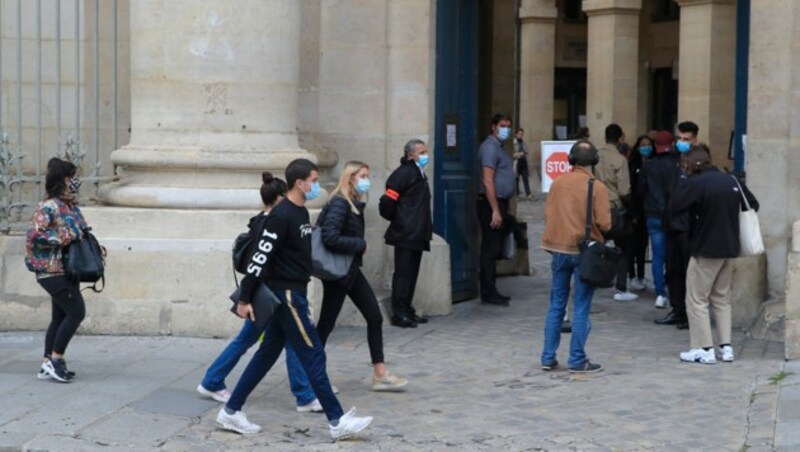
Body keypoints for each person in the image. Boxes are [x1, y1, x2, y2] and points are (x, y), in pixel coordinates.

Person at [217, 159, 373, 440]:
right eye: (313, 180)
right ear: (299, 183)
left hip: (292, 293)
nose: (316, 185)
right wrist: (245, 298)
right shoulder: (282, 216)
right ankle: (337, 421)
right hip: (287, 296)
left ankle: (231, 410)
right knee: (312, 353)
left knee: (267, 354)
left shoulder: (300, 213)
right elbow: (259, 258)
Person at [197, 172, 322, 413]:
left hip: (267, 293)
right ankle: (304, 395)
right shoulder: (272, 221)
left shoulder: (262, 220)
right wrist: (246, 298)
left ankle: (303, 394)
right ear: (279, 196)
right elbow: (260, 261)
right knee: (255, 340)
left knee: (276, 341)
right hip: (269, 294)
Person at [317, 161, 408, 391]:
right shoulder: (340, 203)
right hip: (339, 273)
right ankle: (313, 376)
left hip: (349, 271)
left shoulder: (353, 203)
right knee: (326, 325)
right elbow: (329, 236)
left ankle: (380, 374)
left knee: (374, 317)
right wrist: (359, 244)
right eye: (363, 176)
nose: (367, 180)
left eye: (368, 175)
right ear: (350, 179)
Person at [669, 145, 759, 364]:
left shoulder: (696, 183)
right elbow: (753, 204)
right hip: (730, 247)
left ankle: (704, 348)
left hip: (706, 248)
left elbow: (674, 207)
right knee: (721, 299)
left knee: (696, 299)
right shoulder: (731, 179)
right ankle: (726, 347)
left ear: (692, 164)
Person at [540, 140, 611, 373]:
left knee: (556, 305)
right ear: (594, 161)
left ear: (570, 159)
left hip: (559, 249)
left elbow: (548, 214)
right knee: (581, 306)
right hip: (584, 251)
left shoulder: (557, 183)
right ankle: (577, 359)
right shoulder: (596, 187)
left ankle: (548, 357)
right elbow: (605, 222)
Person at [25, 158, 98, 382]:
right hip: (51, 270)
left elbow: (81, 232)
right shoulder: (48, 206)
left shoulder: (70, 206)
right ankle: (56, 359)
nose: (76, 182)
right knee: (77, 312)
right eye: (72, 177)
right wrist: (66, 237)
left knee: (60, 316)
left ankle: (47, 362)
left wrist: (94, 247)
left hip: (67, 269)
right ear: (63, 180)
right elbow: (35, 237)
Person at [380, 139, 433, 328]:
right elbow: (388, 202)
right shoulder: (404, 173)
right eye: (421, 152)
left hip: (417, 232)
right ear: (410, 155)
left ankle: (407, 309)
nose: (425, 155)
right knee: (403, 274)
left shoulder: (418, 172)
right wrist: (400, 220)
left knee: (411, 273)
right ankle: (399, 313)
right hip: (406, 232)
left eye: (426, 151)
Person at [656, 121, 700, 329]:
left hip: (689, 226)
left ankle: (691, 313)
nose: (682, 143)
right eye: (679, 138)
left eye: (686, 139)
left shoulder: (699, 163)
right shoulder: (674, 162)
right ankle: (678, 310)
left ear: (694, 140)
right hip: (672, 224)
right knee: (673, 269)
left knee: (689, 271)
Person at [477, 113, 516, 306]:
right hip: (491, 203)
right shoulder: (490, 148)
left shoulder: (499, 148)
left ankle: (491, 289)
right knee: (490, 249)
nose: (506, 129)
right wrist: (495, 210)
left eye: (508, 125)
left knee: (494, 248)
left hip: (500, 202)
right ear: (493, 126)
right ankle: (488, 292)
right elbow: (487, 179)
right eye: (502, 125)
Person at [593, 124, 636, 302]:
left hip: (595, 207)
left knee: (592, 246)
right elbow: (624, 190)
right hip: (614, 209)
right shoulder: (620, 160)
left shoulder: (594, 157)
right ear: (620, 138)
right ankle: (620, 287)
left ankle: (589, 280)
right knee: (624, 247)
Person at [639, 130, 680, 310]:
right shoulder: (678, 164)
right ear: (672, 144)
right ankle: (675, 290)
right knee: (674, 255)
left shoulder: (649, 166)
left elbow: (641, 190)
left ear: (656, 146)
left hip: (654, 213)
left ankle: (660, 293)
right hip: (674, 214)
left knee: (657, 255)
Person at [626, 135, 653, 292]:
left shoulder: (654, 164)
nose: (646, 147)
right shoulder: (632, 165)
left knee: (643, 246)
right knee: (631, 246)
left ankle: (642, 276)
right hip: (635, 210)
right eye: (643, 144)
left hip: (649, 210)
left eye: (649, 145)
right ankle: (632, 276)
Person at [513, 128, 533, 200]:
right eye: (519, 134)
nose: (521, 135)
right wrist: (520, 154)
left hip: (523, 162)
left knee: (525, 178)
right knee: (516, 179)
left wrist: (525, 153)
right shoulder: (513, 143)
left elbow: (526, 150)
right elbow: (512, 154)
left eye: (522, 134)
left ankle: (529, 194)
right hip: (517, 162)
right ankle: (517, 195)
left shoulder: (523, 142)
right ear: (516, 134)